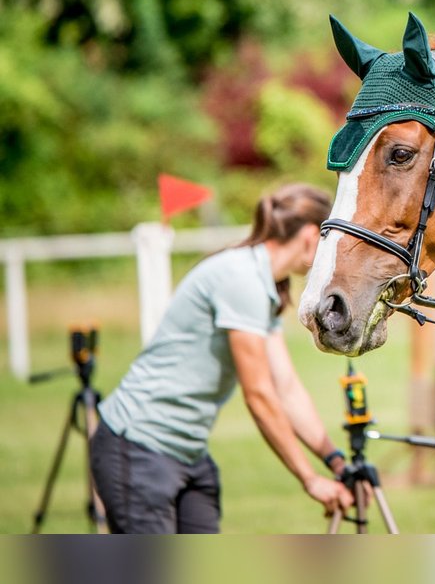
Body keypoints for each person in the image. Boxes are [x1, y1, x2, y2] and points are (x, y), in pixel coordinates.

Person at [89, 183, 355, 532]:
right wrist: (309, 479)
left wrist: (334, 460)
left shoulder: (267, 285)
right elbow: (259, 396)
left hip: (188, 454)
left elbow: (286, 388)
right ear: (309, 235)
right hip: (136, 448)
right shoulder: (240, 279)